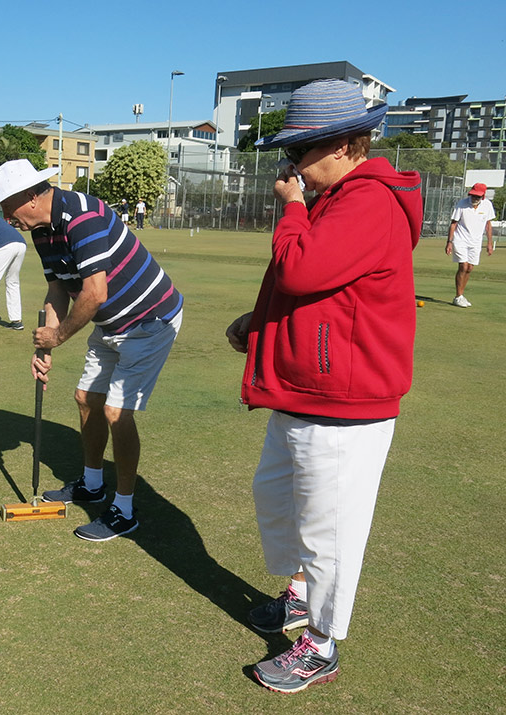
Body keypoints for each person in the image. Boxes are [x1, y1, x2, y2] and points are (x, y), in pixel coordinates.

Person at [225, 79, 422, 694]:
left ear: (347, 145)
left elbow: (302, 267)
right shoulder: (337, 197)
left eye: (302, 152)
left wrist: (290, 207)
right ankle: (301, 597)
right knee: (277, 503)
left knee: (330, 528)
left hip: (347, 398)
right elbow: (318, 285)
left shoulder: (368, 199)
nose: (292, 166)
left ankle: (321, 644)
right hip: (304, 390)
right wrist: (257, 326)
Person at [0, 159, 184, 542]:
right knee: (85, 398)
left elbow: (95, 293)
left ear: (28, 197)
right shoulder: (41, 231)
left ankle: (124, 511)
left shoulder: (82, 217)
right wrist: (46, 343)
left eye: (6, 207)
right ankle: (92, 485)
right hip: (111, 322)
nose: (7, 218)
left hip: (149, 319)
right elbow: (58, 289)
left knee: (114, 411)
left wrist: (58, 339)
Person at [446, 182, 495, 307]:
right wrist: (449, 242)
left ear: (483, 197)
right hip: (460, 239)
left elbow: (488, 226)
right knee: (463, 266)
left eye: (477, 197)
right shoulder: (462, 204)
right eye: (473, 196)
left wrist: (489, 243)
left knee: (470, 268)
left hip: (476, 241)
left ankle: (461, 296)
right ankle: (458, 296)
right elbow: (453, 223)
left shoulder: (487, 205)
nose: (474, 198)